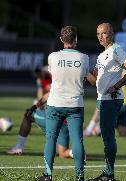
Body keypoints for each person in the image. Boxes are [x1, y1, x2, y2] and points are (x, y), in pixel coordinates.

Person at [36, 26, 96, 181]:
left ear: (61, 39)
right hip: (75, 104)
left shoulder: (53, 56)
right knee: (77, 140)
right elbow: (88, 79)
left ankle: (48, 175)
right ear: (76, 39)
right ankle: (79, 176)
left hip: (55, 103)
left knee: (50, 139)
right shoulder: (84, 58)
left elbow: (54, 74)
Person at [87, 23, 126, 181]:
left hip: (111, 100)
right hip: (102, 99)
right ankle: (107, 173)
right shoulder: (102, 55)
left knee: (108, 137)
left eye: (103, 33)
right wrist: (83, 71)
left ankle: (108, 174)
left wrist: (116, 86)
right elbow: (95, 81)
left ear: (111, 34)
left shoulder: (116, 49)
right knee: (106, 136)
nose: (100, 37)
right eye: (97, 34)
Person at [7, 93, 73, 159]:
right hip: (66, 124)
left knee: (28, 115)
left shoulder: (60, 84)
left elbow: (48, 95)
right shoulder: (76, 88)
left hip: (54, 120)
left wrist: (35, 106)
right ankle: (78, 153)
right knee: (63, 153)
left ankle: (19, 147)